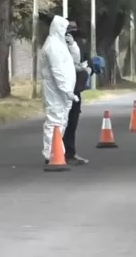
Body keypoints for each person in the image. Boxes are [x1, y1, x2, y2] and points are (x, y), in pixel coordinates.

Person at [39, 15, 78, 165]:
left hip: (63, 91)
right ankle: (51, 153)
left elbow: (74, 60)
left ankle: (56, 150)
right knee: (54, 119)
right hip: (55, 90)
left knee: (61, 120)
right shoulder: (52, 46)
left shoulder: (60, 44)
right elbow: (57, 71)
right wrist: (67, 91)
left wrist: (73, 45)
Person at [62, 21, 92, 165]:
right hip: (64, 89)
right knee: (63, 122)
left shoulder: (77, 44)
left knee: (71, 122)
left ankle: (68, 151)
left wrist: (87, 68)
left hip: (75, 88)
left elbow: (85, 61)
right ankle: (61, 152)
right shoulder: (59, 47)